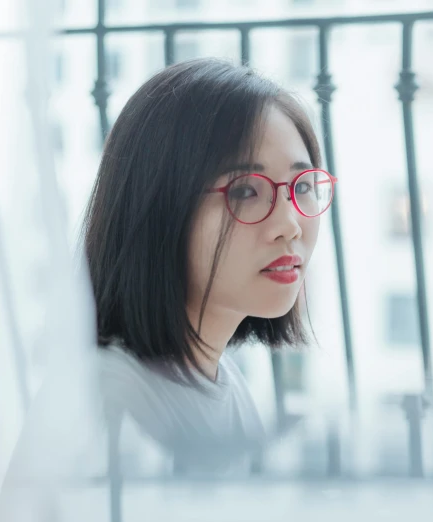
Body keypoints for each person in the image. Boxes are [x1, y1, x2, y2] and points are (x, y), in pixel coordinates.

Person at [81, 57, 337, 476]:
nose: (290, 224)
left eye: (303, 186)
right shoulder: (105, 406)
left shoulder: (222, 383)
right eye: (245, 192)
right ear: (160, 208)